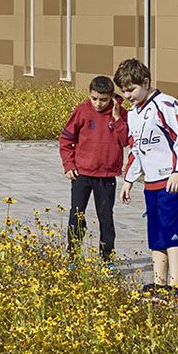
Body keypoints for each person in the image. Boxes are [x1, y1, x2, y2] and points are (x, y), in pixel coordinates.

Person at [115, 59, 178, 298]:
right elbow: (135, 148)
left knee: (172, 233)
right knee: (156, 233)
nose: (128, 95)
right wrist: (129, 180)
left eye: (131, 89)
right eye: (124, 91)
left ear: (146, 82)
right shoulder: (133, 114)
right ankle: (159, 283)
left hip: (172, 180)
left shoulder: (167, 104)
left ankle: (176, 287)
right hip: (151, 182)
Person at [59, 75, 127, 261]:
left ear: (112, 97)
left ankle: (107, 260)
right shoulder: (82, 110)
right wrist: (69, 165)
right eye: (94, 98)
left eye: (103, 100)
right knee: (76, 216)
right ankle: (73, 256)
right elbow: (66, 139)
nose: (98, 104)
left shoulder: (121, 113)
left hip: (106, 177)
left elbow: (125, 140)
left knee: (106, 219)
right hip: (81, 175)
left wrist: (117, 118)